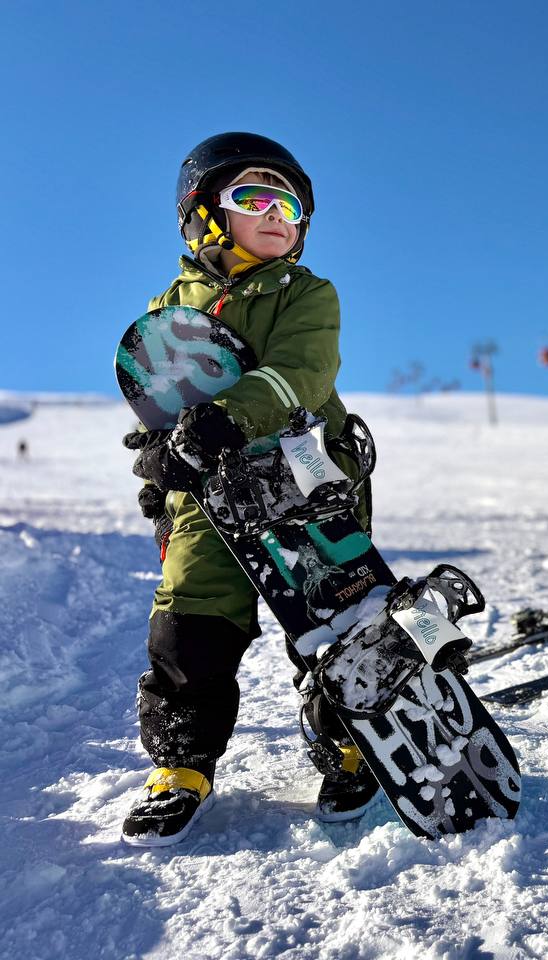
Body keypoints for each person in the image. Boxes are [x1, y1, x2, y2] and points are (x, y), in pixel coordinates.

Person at [119, 133, 378, 846]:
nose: (276, 214)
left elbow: (301, 372)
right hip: (209, 496)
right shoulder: (170, 306)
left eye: (288, 205)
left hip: (305, 480)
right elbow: (159, 397)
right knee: (191, 613)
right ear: (203, 211)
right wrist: (159, 472)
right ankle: (182, 764)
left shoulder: (306, 293)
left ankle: (352, 741)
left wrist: (226, 419)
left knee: (332, 611)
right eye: (255, 197)